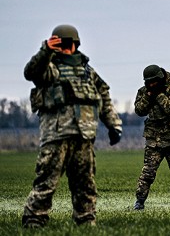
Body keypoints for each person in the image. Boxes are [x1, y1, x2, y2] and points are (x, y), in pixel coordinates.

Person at [22, 24, 123, 228]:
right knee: (46, 181)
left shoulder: (88, 72)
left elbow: (104, 97)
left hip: (84, 136)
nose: (65, 48)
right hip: (56, 135)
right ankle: (34, 220)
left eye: (67, 44)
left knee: (85, 183)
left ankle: (86, 220)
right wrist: (46, 50)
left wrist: (114, 125)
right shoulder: (49, 67)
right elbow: (31, 72)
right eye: (61, 44)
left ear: (75, 44)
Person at [133, 64, 170, 210]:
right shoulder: (144, 91)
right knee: (147, 173)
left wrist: (158, 95)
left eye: (154, 82)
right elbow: (139, 110)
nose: (152, 85)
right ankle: (139, 201)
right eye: (149, 82)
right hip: (155, 140)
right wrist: (148, 96)